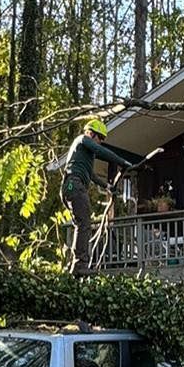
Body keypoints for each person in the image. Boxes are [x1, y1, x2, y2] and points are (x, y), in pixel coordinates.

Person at [62, 118, 134, 275]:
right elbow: (101, 151)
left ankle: (75, 264)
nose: (100, 142)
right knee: (84, 223)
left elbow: (91, 175)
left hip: (73, 185)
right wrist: (122, 161)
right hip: (73, 184)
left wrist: (107, 186)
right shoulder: (82, 139)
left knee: (81, 223)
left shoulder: (84, 156)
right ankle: (79, 265)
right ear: (90, 133)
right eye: (99, 137)